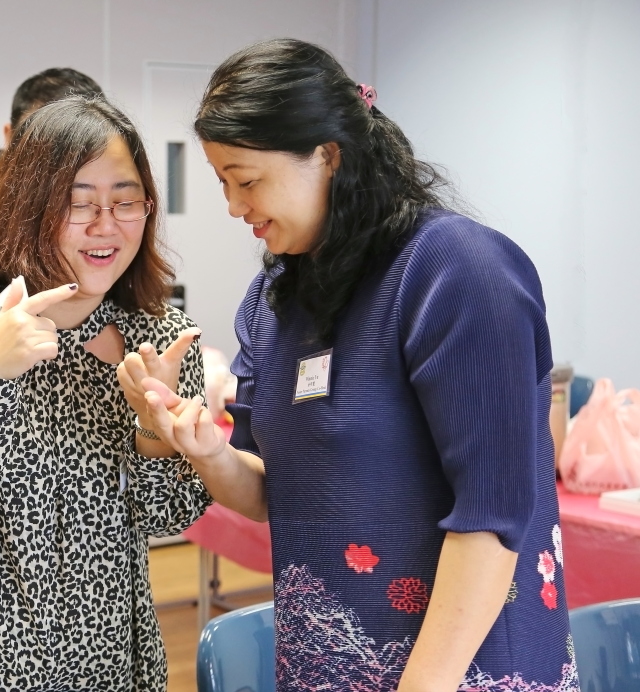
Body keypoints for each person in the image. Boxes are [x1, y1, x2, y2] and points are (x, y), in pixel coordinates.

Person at [127, 38, 576, 690]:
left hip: (464, 669)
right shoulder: (275, 299)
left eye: (247, 180)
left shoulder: (454, 270)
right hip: (331, 663)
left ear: (329, 155)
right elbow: (273, 494)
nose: (233, 206)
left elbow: (490, 521)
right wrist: (205, 451)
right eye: (223, 182)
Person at [0, 97, 210, 692]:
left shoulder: (159, 338)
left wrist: (155, 427)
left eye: (125, 201)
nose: (105, 225)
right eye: (78, 203)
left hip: (99, 650)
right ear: (28, 206)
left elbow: (167, 516)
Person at [0, 67, 104, 256]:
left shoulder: (120, 218)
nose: (59, 159)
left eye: (76, 143)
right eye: (39, 139)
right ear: (10, 136)